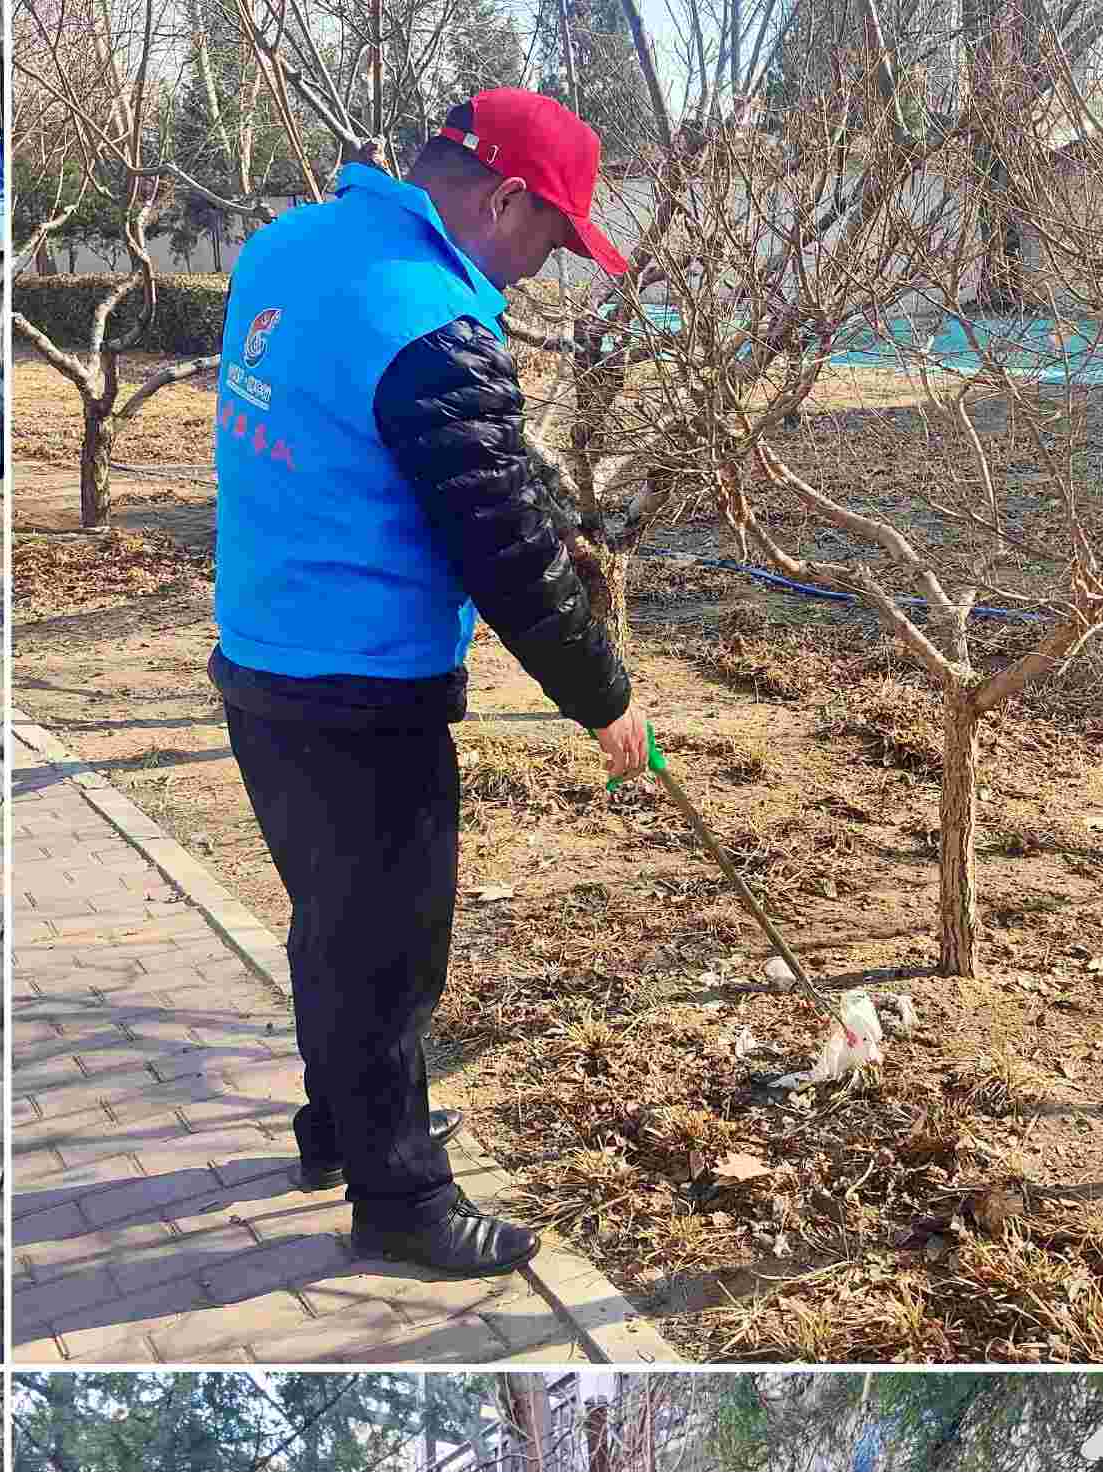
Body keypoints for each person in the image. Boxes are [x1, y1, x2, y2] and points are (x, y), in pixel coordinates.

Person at [207, 91, 655, 1280]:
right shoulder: (434, 326)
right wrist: (605, 696)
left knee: (329, 922)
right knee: (393, 956)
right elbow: (503, 553)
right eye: (549, 241)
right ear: (503, 197)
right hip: (363, 689)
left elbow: (408, 456)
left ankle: (336, 1125)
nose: (541, 270)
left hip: (258, 661)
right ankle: (398, 1196)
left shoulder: (286, 244)